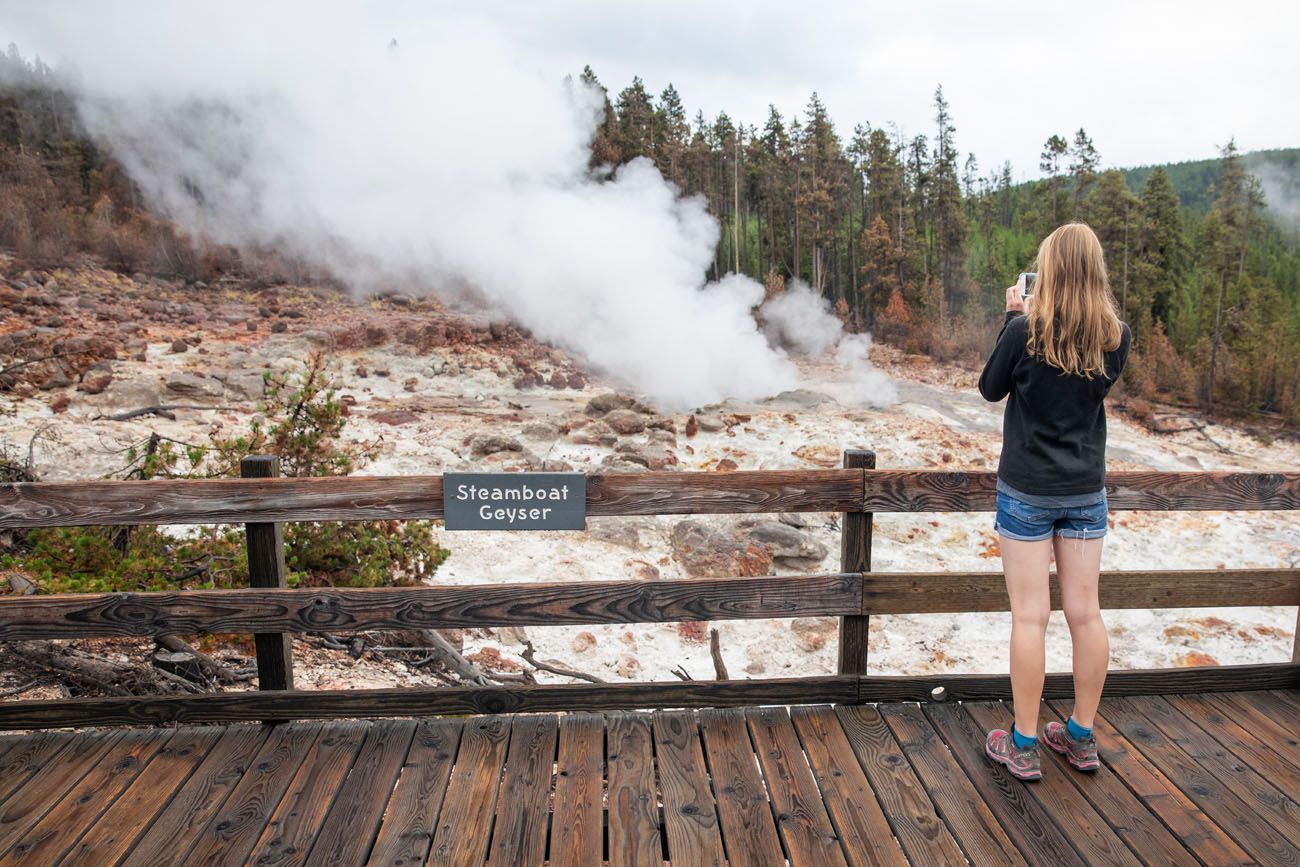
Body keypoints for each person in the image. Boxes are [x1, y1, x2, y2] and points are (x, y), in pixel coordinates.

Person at [977, 222, 1131, 782]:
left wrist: (1013, 319)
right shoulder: (1116, 336)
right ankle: (1081, 736)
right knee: (1085, 614)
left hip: (1026, 492)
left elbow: (991, 388)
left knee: (1030, 617)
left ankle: (1021, 744)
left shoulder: (1026, 331)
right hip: (1086, 493)